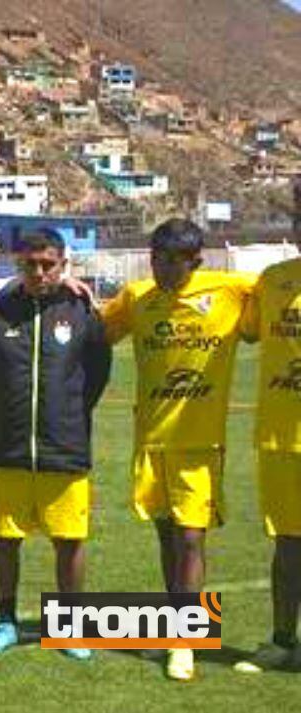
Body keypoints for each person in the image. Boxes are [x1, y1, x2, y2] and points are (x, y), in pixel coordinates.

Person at [100, 218, 253, 682]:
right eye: (157, 260)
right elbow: (96, 332)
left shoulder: (230, 291)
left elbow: (278, 302)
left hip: (200, 443)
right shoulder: (137, 299)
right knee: (167, 536)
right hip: (151, 440)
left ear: (196, 260)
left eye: (174, 262)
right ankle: (175, 624)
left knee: (191, 537)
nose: (164, 270)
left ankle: (185, 640)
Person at [0, 228, 111, 659]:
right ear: (18, 264)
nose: (39, 272)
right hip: (8, 448)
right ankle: (5, 622)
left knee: (69, 540)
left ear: (63, 264)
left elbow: (97, 374)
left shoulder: (82, 309)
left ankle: (68, 628)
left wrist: (67, 415)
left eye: (48, 264)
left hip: (64, 447)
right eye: (30, 264)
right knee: (5, 540)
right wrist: (8, 414)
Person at [233, 253, 301, 674]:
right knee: (287, 543)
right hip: (279, 437)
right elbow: (246, 327)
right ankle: (281, 641)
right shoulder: (272, 279)